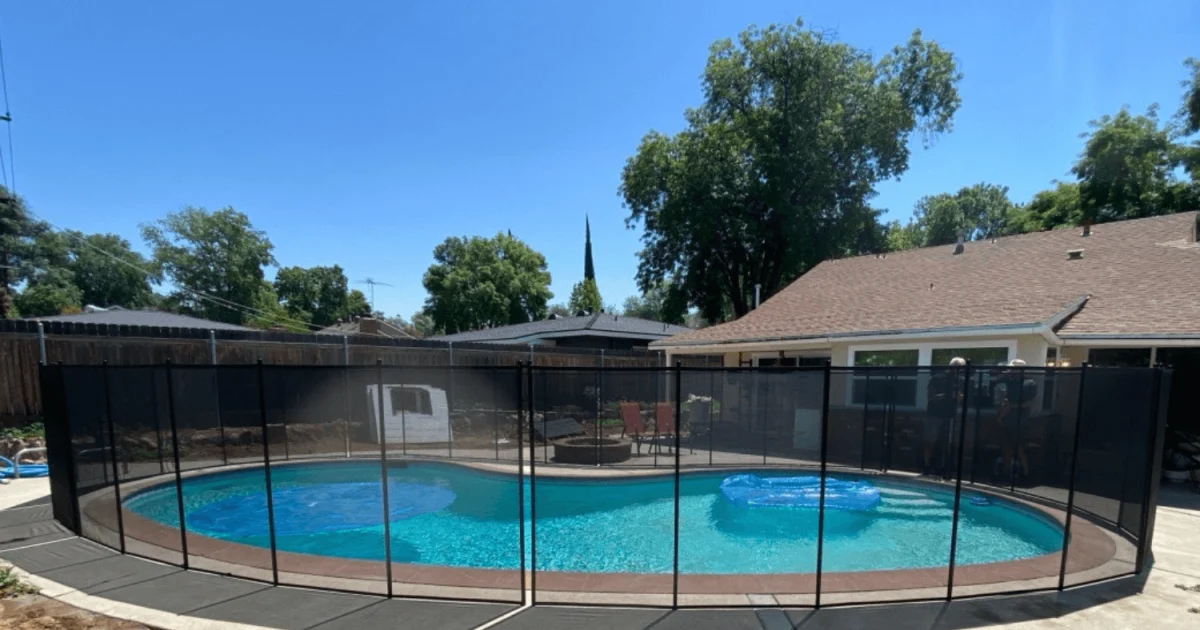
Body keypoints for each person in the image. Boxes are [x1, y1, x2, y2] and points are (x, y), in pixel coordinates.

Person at [994, 359, 1035, 481]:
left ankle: (1025, 473)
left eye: (1013, 369)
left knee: (1019, 448)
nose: (1011, 371)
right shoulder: (1008, 382)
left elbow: (1029, 403)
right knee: (1006, 447)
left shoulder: (1029, 383)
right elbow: (997, 382)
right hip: (1007, 419)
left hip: (1020, 420)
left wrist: (1012, 406)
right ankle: (1005, 472)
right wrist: (1002, 415)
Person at [924, 357, 966, 476]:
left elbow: (961, 399)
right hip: (934, 414)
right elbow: (930, 396)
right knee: (930, 440)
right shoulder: (937, 378)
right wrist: (946, 395)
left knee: (948, 442)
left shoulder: (960, 381)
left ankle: (944, 466)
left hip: (951, 415)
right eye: (958, 368)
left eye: (961, 369)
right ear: (952, 367)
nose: (959, 371)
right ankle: (926, 465)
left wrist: (959, 397)